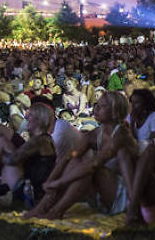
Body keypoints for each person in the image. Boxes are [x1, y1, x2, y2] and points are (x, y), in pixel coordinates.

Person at [26, 91, 132, 220]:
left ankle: (56, 211)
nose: (96, 109)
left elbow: (94, 165)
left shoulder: (121, 133)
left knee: (87, 166)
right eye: (96, 105)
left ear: (115, 111)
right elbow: (68, 157)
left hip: (124, 196)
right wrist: (51, 180)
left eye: (103, 106)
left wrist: (59, 182)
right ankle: (44, 207)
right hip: (102, 194)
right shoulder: (95, 134)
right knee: (75, 160)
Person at [0, 101, 56, 201]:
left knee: (1, 144)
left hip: (28, 189)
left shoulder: (39, 140)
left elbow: (12, 160)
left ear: (39, 119)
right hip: (30, 184)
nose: (26, 118)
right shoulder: (43, 139)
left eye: (30, 115)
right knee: (1, 143)